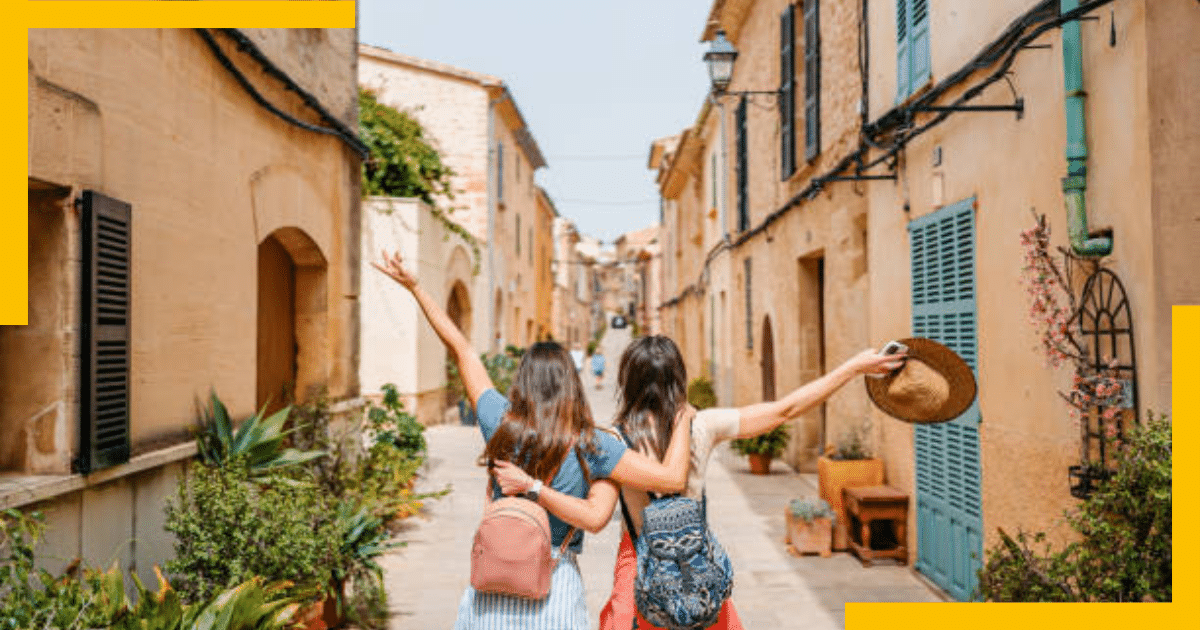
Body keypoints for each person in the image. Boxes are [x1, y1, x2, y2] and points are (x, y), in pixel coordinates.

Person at [372, 252, 696, 630]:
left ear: (522, 380)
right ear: (572, 384)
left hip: (491, 587)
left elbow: (462, 349)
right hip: (554, 590)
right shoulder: (595, 445)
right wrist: (684, 417)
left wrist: (415, 288)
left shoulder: (499, 421)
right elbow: (671, 480)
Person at [493, 334, 905, 630]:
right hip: (694, 562)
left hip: (638, 561)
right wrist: (854, 367)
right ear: (678, 378)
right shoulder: (701, 424)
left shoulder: (611, 439)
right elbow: (786, 409)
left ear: (628, 381)